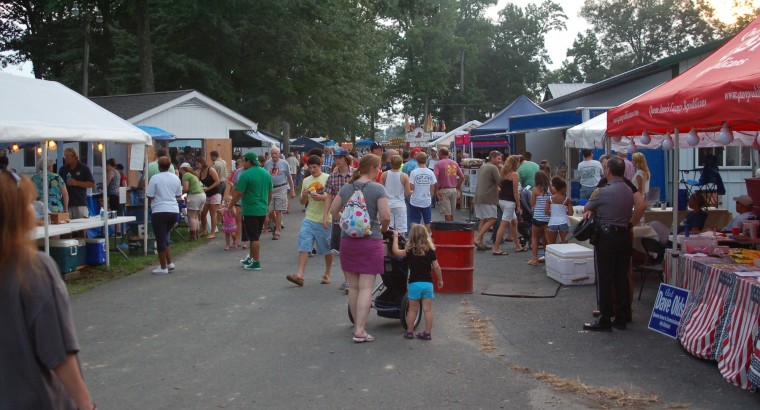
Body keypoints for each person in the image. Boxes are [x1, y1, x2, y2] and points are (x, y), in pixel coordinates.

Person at [0, 170, 95, 409]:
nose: (35, 209)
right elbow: (58, 351)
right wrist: (86, 404)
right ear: (17, 214)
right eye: (30, 203)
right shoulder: (32, 268)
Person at [328, 154, 390, 343]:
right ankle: (360, 330)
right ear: (372, 167)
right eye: (378, 167)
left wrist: (346, 220)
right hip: (371, 241)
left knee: (354, 287)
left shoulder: (347, 187)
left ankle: (357, 324)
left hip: (348, 242)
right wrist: (384, 228)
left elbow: (332, 211)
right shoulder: (378, 189)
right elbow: (385, 216)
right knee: (366, 287)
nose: (379, 171)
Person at [583, 156, 642, 331]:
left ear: (608, 170)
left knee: (605, 277)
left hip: (607, 236)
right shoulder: (628, 189)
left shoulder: (603, 190)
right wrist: (631, 222)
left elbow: (587, 207)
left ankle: (605, 317)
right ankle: (622, 317)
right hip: (624, 234)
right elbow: (641, 205)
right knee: (621, 276)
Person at [286, 155, 334, 286]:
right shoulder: (306, 180)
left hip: (325, 219)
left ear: (320, 165)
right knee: (304, 244)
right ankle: (300, 275)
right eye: (310, 167)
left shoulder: (328, 178)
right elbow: (302, 202)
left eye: (315, 167)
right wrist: (304, 195)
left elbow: (334, 198)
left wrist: (322, 197)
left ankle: (327, 273)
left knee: (327, 249)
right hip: (309, 218)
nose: (312, 169)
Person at [391, 225, 443, 341]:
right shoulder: (430, 251)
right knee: (427, 310)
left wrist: (395, 238)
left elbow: (395, 252)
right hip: (427, 284)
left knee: (412, 309)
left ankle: (409, 332)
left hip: (414, 284)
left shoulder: (410, 251)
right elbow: (437, 267)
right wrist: (440, 280)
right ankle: (427, 333)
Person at [229, 153, 273, 271]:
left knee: (254, 237)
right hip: (262, 208)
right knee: (255, 235)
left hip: (250, 210)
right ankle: (251, 257)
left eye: (244, 161)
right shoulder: (266, 173)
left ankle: (256, 262)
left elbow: (238, 193)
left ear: (249, 161)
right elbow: (270, 192)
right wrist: (266, 205)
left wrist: (230, 206)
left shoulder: (246, 174)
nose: (243, 163)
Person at [322, 148, 355, 292]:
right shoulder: (332, 177)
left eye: (340, 157)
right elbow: (329, 197)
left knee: (354, 250)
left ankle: (355, 280)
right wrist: (326, 216)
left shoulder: (355, 175)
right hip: (338, 219)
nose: (337, 160)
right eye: (336, 157)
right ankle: (348, 280)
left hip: (355, 219)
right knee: (343, 250)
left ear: (346, 158)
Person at [146, 156, 182, 274]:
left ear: (158, 166)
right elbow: (178, 194)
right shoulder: (175, 178)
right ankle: (169, 262)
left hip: (159, 210)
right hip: (173, 210)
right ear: (170, 165)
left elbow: (149, 195)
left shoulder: (155, 178)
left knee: (160, 238)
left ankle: (163, 267)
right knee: (165, 236)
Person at [492, 155, 525, 255]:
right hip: (510, 202)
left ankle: (518, 246)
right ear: (516, 163)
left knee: (514, 222)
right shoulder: (514, 174)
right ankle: (496, 248)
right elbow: (515, 192)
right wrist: (518, 205)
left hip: (502, 200)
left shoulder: (504, 172)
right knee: (504, 224)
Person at [264, 147, 295, 240]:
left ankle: (277, 230)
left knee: (279, 210)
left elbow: (289, 177)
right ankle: (276, 224)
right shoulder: (267, 163)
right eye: (272, 153)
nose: (274, 155)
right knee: (270, 210)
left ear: (279, 154)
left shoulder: (284, 163)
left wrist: (292, 190)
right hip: (270, 189)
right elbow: (265, 176)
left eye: (275, 153)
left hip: (281, 188)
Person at [473, 151, 502, 251]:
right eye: (498, 158)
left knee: (483, 219)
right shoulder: (493, 168)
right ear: (492, 158)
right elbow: (499, 181)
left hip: (478, 196)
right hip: (488, 197)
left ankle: (481, 242)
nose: (500, 161)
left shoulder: (483, 166)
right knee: (492, 218)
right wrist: (501, 169)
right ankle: (478, 238)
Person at [58, 147, 95, 220]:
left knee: (82, 227)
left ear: (75, 157)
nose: (65, 159)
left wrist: (76, 183)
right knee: (67, 227)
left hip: (80, 202)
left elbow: (92, 184)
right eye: (65, 156)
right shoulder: (63, 169)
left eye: (67, 157)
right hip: (66, 204)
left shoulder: (84, 168)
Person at [382, 155, 411, 235]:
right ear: (401, 164)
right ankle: (399, 245)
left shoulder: (384, 175)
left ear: (390, 163)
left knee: (388, 230)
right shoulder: (404, 176)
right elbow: (408, 193)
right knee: (401, 230)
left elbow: (381, 190)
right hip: (400, 204)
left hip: (387, 204)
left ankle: (389, 246)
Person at [433, 147, 464, 222]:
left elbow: (434, 178)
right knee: (451, 213)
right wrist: (457, 186)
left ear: (440, 154)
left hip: (444, 190)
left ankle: (450, 231)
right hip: (453, 190)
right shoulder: (454, 163)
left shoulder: (438, 164)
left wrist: (436, 190)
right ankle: (452, 230)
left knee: (447, 213)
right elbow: (462, 177)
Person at [408, 152, 436, 233]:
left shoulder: (414, 172)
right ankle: (427, 239)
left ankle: (415, 238)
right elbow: (432, 188)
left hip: (415, 200)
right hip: (426, 200)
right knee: (427, 221)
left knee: (414, 221)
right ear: (426, 160)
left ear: (416, 160)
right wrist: (430, 197)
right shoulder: (430, 172)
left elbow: (411, 187)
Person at [528, 171, 551, 266]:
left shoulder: (535, 190)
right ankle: (548, 257)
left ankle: (534, 259)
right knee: (547, 239)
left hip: (538, 218)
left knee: (534, 237)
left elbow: (532, 203)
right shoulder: (551, 190)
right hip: (548, 218)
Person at [195, 156, 221, 239]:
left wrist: (207, 189)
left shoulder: (211, 170)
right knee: (203, 213)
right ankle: (204, 230)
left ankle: (213, 232)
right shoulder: (200, 172)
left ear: (202, 163)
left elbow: (217, 182)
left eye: (198, 164)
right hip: (207, 194)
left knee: (213, 213)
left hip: (215, 193)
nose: (197, 166)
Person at [179, 162, 206, 241]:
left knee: (191, 217)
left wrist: (179, 193)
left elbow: (186, 189)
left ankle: (192, 236)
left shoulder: (185, 175)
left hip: (194, 196)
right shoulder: (193, 175)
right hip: (202, 195)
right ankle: (197, 234)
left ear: (182, 169)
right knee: (196, 216)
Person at [545, 176, 573, 245]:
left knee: (551, 243)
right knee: (564, 243)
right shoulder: (567, 200)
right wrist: (563, 211)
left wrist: (554, 212)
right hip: (563, 221)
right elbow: (570, 213)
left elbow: (546, 212)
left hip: (553, 221)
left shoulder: (550, 199)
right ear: (563, 188)